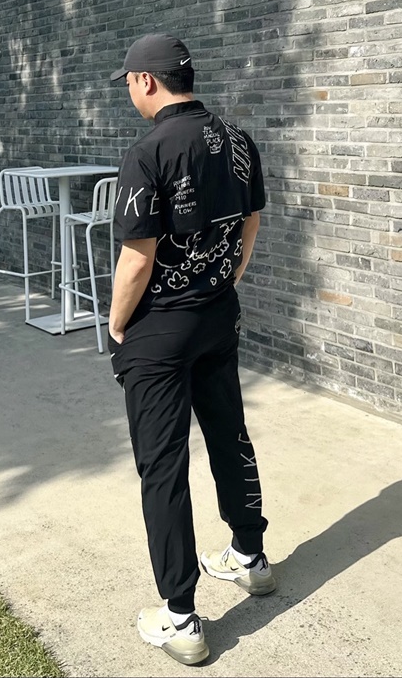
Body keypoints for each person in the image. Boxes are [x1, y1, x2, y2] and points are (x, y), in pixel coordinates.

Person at [108, 33, 275, 666]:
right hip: (216, 315)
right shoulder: (237, 140)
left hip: (160, 329)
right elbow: (250, 219)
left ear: (146, 81)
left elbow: (137, 257)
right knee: (229, 434)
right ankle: (250, 557)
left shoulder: (147, 152)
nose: (130, 91)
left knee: (163, 464)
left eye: (129, 81)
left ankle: (180, 616)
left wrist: (117, 324)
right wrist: (228, 277)